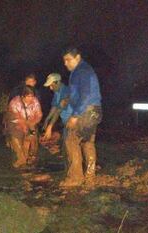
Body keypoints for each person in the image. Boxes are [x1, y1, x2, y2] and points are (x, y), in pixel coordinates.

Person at [61, 47, 102, 188]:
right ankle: (90, 178)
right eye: (64, 60)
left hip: (86, 111)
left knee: (71, 139)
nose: (65, 63)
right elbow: (79, 94)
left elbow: (86, 95)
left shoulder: (81, 71)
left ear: (77, 57)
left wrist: (75, 115)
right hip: (94, 111)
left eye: (68, 60)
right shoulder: (83, 70)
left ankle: (75, 178)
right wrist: (69, 99)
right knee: (88, 142)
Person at [6, 85, 42, 168]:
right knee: (18, 143)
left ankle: (28, 158)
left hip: (31, 123)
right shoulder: (14, 103)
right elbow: (15, 118)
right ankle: (20, 159)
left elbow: (39, 115)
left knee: (31, 140)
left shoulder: (35, 101)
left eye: (32, 96)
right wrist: (26, 127)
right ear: (22, 96)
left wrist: (31, 125)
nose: (31, 99)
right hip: (16, 125)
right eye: (28, 96)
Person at [42, 73, 73, 141]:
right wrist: (47, 119)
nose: (50, 88)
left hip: (72, 121)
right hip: (66, 122)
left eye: (51, 85)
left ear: (58, 82)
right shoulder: (57, 92)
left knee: (70, 144)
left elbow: (59, 110)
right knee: (67, 144)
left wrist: (50, 127)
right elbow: (54, 107)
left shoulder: (66, 91)